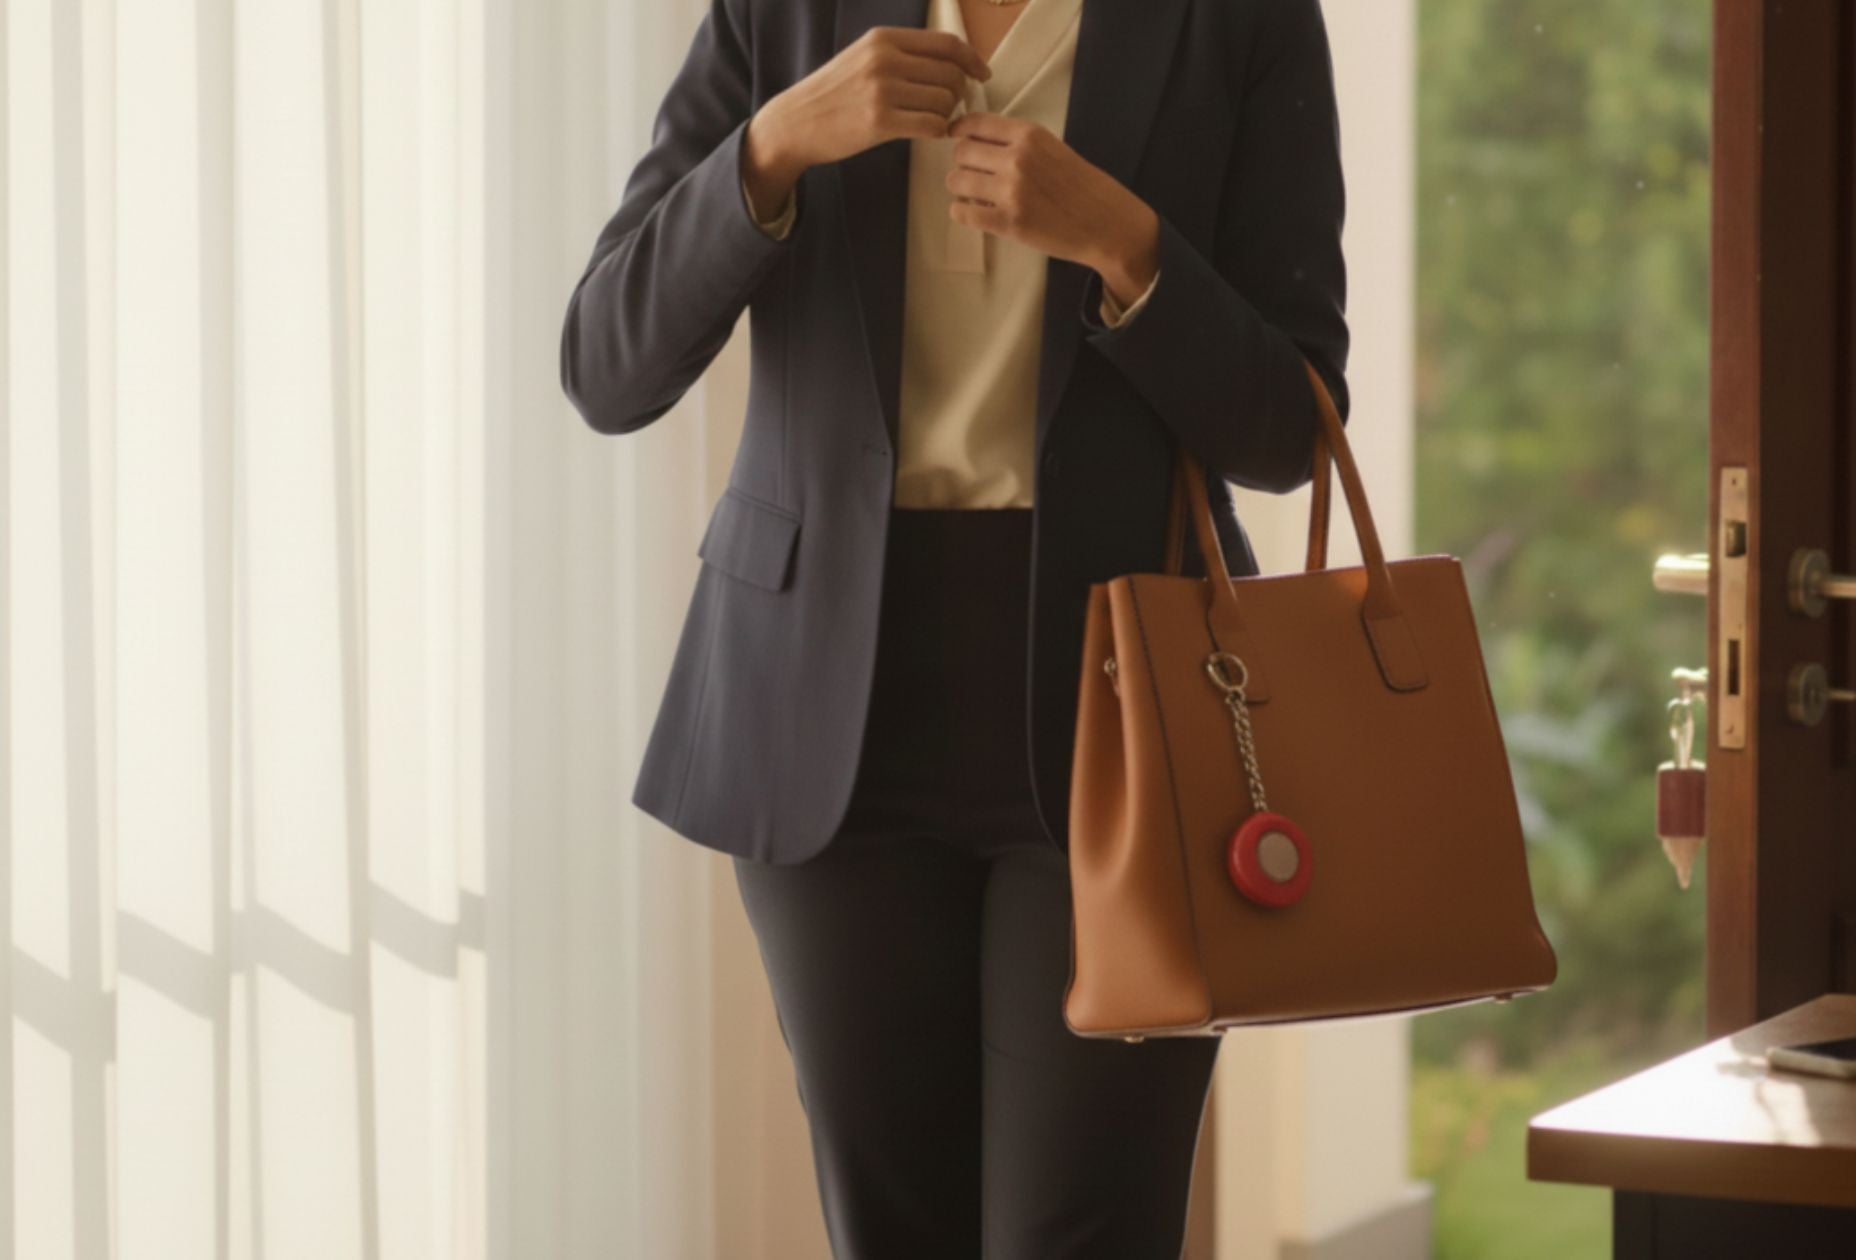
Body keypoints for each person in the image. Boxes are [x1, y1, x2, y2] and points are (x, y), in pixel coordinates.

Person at [559, 0, 1349, 1253]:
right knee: (893, 1230)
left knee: (1082, 1228)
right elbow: (607, 363)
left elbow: (1286, 428)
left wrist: (1123, 244)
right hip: (826, 705)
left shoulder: (1236, 18)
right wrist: (771, 147)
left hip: (1125, 714)